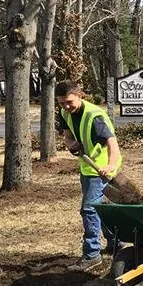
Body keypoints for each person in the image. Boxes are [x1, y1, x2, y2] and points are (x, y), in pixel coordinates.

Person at [55, 80, 121, 271]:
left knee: (89, 209)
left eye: (69, 102)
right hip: (87, 168)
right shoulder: (64, 112)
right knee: (102, 208)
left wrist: (110, 165)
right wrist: (71, 144)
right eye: (61, 103)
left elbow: (112, 143)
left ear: (80, 95)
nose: (66, 107)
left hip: (102, 169)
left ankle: (92, 254)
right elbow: (67, 135)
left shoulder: (95, 116)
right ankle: (116, 243)